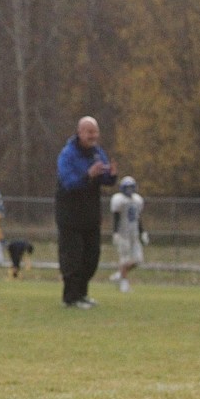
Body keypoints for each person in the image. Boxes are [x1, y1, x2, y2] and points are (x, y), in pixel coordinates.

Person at [55, 116, 117, 309]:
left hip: (91, 214)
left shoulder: (97, 153)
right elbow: (68, 183)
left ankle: (82, 294)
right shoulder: (68, 154)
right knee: (73, 257)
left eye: (95, 132)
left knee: (91, 257)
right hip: (70, 214)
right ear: (80, 132)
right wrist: (88, 175)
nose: (93, 136)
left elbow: (103, 179)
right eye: (89, 132)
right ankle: (71, 297)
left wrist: (111, 176)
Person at [109, 175, 148, 293]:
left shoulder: (137, 200)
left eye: (132, 187)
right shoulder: (119, 200)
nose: (130, 190)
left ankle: (119, 275)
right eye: (128, 187)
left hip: (134, 234)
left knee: (138, 260)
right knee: (124, 259)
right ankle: (124, 284)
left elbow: (137, 218)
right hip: (123, 234)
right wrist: (115, 232)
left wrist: (143, 232)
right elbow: (116, 217)